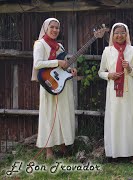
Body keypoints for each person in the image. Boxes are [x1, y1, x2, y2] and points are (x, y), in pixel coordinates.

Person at [98, 23, 133, 162]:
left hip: (129, 91)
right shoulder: (107, 51)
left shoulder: (132, 50)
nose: (119, 35)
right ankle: (115, 153)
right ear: (112, 35)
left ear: (127, 35)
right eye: (116, 33)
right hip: (113, 92)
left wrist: (130, 69)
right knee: (115, 120)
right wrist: (109, 75)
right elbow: (100, 72)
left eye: (122, 32)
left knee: (130, 119)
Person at [32, 18, 77, 160]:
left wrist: (71, 70)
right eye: (52, 27)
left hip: (62, 85)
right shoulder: (40, 44)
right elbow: (38, 64)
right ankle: (49, 151)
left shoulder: (60, 47)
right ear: (46, 28)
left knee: (63, 115)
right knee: (48, 116)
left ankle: (63, 147)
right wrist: (57, 61)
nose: (55, 30)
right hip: (48, 84)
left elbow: (64, 66)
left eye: (57, 28)